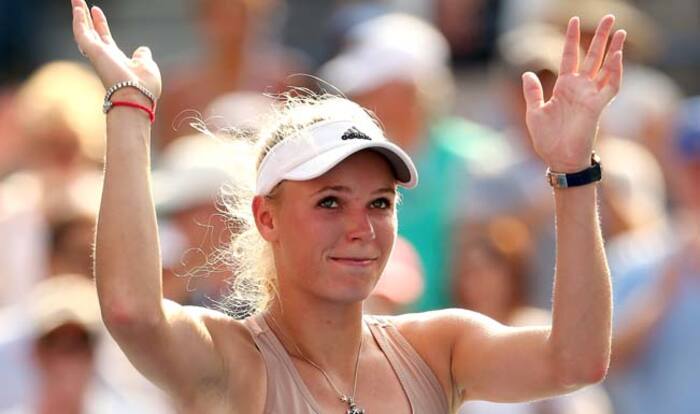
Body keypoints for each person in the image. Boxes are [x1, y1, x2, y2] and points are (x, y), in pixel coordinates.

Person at [71, 0, 625, 412]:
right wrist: (129, 104)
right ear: (267, 218)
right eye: (331, 201)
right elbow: (131, 311)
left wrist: (573, 167)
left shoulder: (439, 347)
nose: (362, 227)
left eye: (380, 203)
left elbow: (575, 360)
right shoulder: (232, 358)